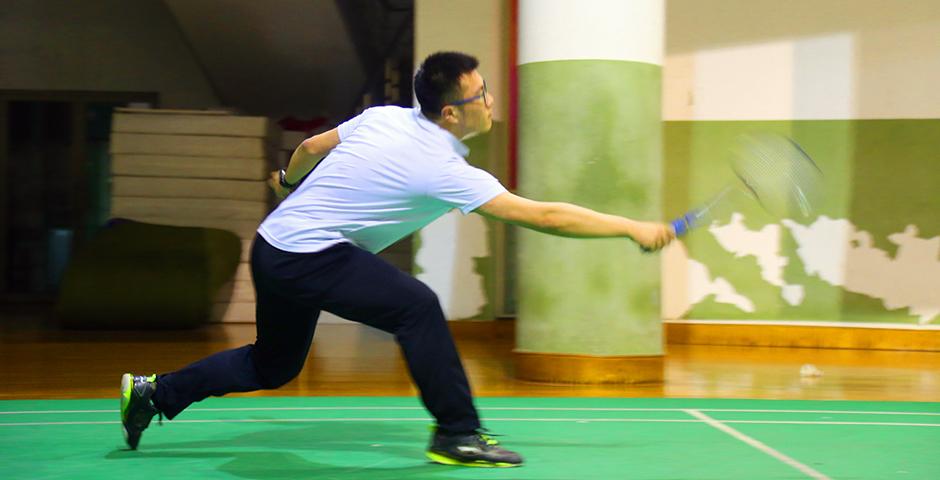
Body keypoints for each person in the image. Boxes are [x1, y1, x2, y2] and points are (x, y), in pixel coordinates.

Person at [120, 51, 674, 468]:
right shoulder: (444, 168)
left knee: (274, 364)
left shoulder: (382, 117)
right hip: (309, 254)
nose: (490, 101)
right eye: (481, 95)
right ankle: (456, 433)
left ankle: (152, 392)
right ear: (453, 113)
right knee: (417, 306)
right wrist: (630, 228)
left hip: (274, 245)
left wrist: (288, 183)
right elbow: (545, 216)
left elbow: (311, 148)